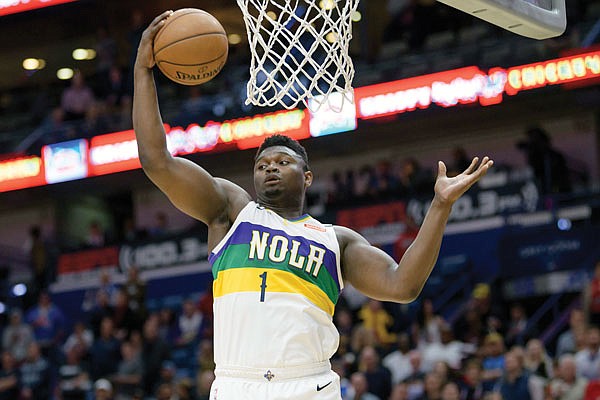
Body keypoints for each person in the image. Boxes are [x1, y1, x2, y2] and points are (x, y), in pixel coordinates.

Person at [133, 11, 494, 400]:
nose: (270, 168)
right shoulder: (231, 212)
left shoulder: (336, 241)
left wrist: (439, 206)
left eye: (282, 162)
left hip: (310, 385)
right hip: (238, 383)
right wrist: (142, 70)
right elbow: (157, 161)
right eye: (262, 165)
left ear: (307, 177)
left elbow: (402, 286)